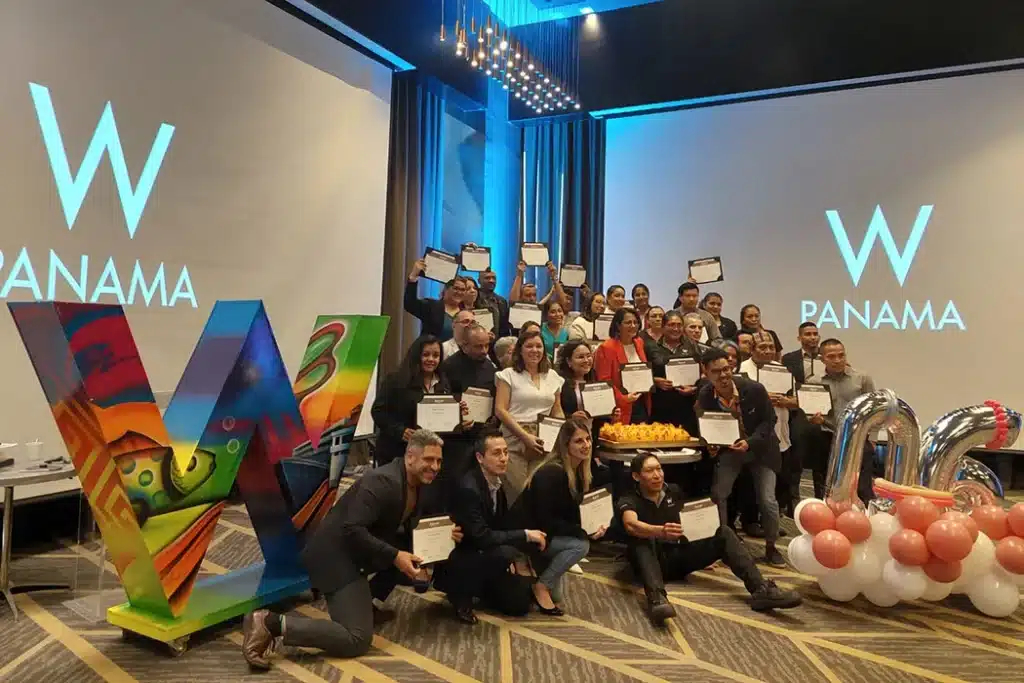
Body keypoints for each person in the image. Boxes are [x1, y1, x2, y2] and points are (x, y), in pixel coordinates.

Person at [241, 430, 461, 666]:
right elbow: (352, 529)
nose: (435, 467)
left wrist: (442, 536)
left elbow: (407, 527)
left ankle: (366, 604)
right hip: (335, 557)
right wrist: (396, 555)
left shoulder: (419, 483)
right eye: (429, 459)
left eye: (439, 461)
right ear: (410, 457)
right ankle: (270, 623)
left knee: (401, 556)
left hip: (361, 550)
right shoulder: (382, 482)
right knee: (356, 639)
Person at [617, 453, 802, 624]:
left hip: (678, 556)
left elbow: (687, 521)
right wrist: (660, 531)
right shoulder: (629, 498)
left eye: (659, 469)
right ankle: (657, 598)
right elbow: (631, 524)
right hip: (651, 561)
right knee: (642, 539)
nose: (657, 475)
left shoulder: (673, 491)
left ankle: (760, 589)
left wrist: (701, 547)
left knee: (724, 532)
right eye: (650, 471)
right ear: (636, 476)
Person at [436, 431, 547, 624]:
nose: (504, 458)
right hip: (463, 556)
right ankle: (460, 595)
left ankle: (482, 588)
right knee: (506, 553)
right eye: (496, 453)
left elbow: (501, 525)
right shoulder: (468, 488)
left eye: (506, 452)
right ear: (480, 458)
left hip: (486, 554)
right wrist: (526, 535)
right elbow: (482, 537)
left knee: (519, 604)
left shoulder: (496, 481)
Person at [698, 348, 785, 566]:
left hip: (761, 449)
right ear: (705, 373)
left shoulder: (754, 389)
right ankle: (723, 546)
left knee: (767, 500)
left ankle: (771, 547)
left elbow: (769, 421)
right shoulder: (706, 394)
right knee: (719, 494)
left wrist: (750, 442)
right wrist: (711, 445)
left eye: (726, 369)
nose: (723, 375)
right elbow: (705, 423)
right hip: (730, 449)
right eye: (716, 371)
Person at [519, 417, 606, 615]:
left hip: (550, 534)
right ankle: (540, 584)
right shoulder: (552, 473)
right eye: (578, 441)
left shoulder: (580, 472)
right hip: (531, 538)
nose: (586, 445)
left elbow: (574, 515)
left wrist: (594, 527)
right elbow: (545, 521)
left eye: (588, 439)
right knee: (581, 545)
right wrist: (583, 532)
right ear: (565, 445)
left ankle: (541, 573)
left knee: (556, 597)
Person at [494, 329, 565, 499]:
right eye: (529, 346)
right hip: (514, 438)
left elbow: (557, 409)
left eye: (539, 346)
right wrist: (525, 437)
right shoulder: (508, 375)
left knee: (541, 492)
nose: (535, 350)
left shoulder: (552, 376)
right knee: (519, 493)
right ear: (520, 350)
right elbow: (500, 410)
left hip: (544, 440)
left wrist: (560, 430)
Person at [804, 338, 877, 503]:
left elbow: (874, 410)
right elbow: (809, 410)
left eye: (841, 355)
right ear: (822, 359)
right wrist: (813, 418)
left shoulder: (862, 378)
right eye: (831, 356)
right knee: (825, 484)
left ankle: (865, 515)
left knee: (862, 486)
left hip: (857, 437)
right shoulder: (814, 381)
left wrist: (872, 438)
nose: (837, 360)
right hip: (826, 436)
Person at [741, 332, 801, 519]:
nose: (768, 351)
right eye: (762, 347)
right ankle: (751, 521)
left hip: (780, 433)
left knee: (778, 482)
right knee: (751, 484)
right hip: (753, 435)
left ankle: (771, 522)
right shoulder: (742, 370)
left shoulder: (781, 369)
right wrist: (763, 397)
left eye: (771, 347)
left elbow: (797, 401)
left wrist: (786, 401)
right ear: (752, 349)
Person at [439, 323, 498, 508]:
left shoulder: (490, 367)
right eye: (478, 346)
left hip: (481, 434)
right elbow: (442, 400)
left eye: (486, 345)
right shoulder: (448, 366)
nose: (484, 351)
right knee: (456, 486)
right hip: (456, 439)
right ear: (464, 345)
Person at [371, 336, 452, 466]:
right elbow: (378, 411)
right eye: (426, 355)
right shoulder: (396, 380)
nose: (431, 359)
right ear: (416, 355)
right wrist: (400, 431)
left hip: (430, 453)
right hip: (397, 451)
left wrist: (457, 413)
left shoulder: (444, 382)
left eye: (436, 355)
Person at [593, 308, 651, 424]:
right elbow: (604, 380)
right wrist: (623, 398)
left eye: (635, 322)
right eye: (628, 322)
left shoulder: (639, 342)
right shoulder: (606, 347)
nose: (633, 326)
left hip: (641, 402)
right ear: (618, 326)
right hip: (620, 405)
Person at [405, 260, 466, 340]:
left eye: (463, 290)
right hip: (433, 347)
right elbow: (410, 304)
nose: (459, 292)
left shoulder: (466, 313)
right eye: (456, 288)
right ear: (446, 289)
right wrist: (413, 277)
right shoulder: (431, 306)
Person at [477, 266, 511, 337]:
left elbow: (504, 326)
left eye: (494, 278)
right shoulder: (474, 299)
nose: (491, 281)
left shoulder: (502, 301)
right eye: (487, 278)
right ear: (479, 281)